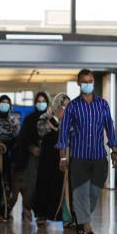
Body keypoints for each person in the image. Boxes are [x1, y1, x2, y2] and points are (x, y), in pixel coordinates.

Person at [57, 69, 117, 234]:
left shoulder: (103, 104)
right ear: (78, 83)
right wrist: (62, 156)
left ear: (93, 82)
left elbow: (109, 127)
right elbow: (63, 133)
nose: (88, 84)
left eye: (90, 81)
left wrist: (114, 149)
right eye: (84, 81)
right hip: (79, 157)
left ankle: (80, 217)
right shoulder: (73, 106)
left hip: (99, 156)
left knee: (94, 193)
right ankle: (87, 227)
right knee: (81, 193)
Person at [34, 93, 69, 224]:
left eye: (67, 105)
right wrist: (55, 118)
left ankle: (60, 215)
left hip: (63, 156)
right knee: (44, 183)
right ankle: (41, 214)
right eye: (63, 104)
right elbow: (41, 131)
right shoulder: (45, 117)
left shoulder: (71, 119)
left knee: (60, 186)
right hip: (48, 156)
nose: (65, 108)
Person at [15, 92, 49, 223]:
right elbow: (23, 139)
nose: (41, 103)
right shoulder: (29, 119)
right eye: (39, 101)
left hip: (46, 159)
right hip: (31, 158)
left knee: (44, 185)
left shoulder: (50, 119)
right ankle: (27, 208)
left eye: (43, 101)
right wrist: (31, 148)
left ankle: (41, 214)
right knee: (31, 185)